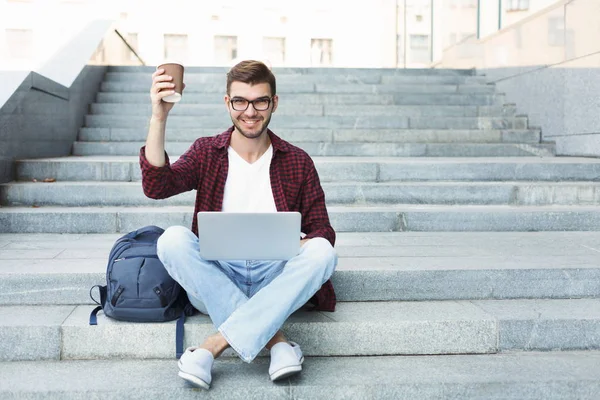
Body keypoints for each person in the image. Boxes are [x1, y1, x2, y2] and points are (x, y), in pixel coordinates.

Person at [140, 60, 338, 389]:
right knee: (172, 240)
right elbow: (157, 187)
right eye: (240, 101)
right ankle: (278, 343)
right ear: (227, 102)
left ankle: (210, 347)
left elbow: (323, 231)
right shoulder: (207, 151)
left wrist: (297, 243)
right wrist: (159, 115)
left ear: (273, 102)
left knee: (322, 253)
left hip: (274, 278)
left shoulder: (297, 160)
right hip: (217, 275)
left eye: (260, 101)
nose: (250, 111)